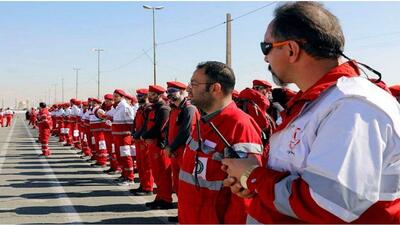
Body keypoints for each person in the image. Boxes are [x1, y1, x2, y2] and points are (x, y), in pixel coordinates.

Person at [222, 2, 400, 223]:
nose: (265, 58)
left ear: (291, 50)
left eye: (266, 47)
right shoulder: (317, 102)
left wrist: (253, 176)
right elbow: (296, 177)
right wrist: (251, 182)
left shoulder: (353, 107)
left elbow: (329, 203)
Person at [178, 61, 264, 224]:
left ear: (215, 88)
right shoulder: (205, 121)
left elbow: (244, 195)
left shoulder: (239, 126)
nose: (189, 88)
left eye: (194, 84)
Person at [164, 81, 198, 222]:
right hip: (174, 152)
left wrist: (171, 147)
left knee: (186, 187)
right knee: (177, 185)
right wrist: (167, 145)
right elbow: (167, 130)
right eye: (168, 91)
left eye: (172, 91)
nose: (169, 94)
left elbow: (186, 132)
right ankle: (182, 213)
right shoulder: (173, 109)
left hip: (184, 153)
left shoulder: (189, 109)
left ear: (183, 92)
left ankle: (188, 215)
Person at [141, 85, 173, 209]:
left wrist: (145, 136)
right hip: (152, 145)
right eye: (149, 94)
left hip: (160, 145)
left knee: (163, 173)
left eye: (153, 94)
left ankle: (166, 199)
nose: (150, 96)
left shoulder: (164, 109)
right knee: (157, 173)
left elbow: (159, 128)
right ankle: (159, 197)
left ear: (159, 96)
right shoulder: (153, 108)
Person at [131, 88, 154, 196]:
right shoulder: (140, 108)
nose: (138, 98)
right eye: (137, 96)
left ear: (146, 97)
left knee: (146, 164)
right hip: (138, 139)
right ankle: (142, 184)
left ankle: (148, 187)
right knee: (140, 164)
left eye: (140, 96)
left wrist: (140, 135)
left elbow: (146, 125)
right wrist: (133, 132)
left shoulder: (148, 108)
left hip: (144, 140)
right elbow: (135, 122)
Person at [111, 89, 135, 185]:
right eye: (114, 96)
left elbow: (131, 122)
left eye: (116, 96)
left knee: (125, 156)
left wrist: (131, 135)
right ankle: (124, 174)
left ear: (122, 97)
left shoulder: (125, 107)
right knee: (120, 156)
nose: (114, 98)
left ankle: (130, 177)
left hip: (124, 136)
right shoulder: (118, 107)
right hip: (118, 136)